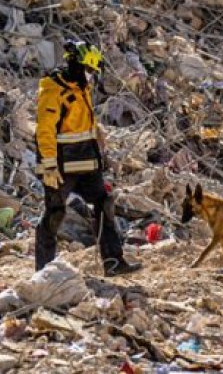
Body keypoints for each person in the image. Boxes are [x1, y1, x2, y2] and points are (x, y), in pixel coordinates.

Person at [34, 41, 142, 276]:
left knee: (104, 203)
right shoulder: (54, 91)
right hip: (61, 166)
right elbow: (45, 130)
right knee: (54, 214)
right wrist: (48, 165)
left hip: (87, 163)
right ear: (75, 65)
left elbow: (81, 122)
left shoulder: (82, 88)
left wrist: (98, 135)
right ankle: (42, 272)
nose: (91, 76)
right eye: (88, 70)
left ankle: (113, 262)